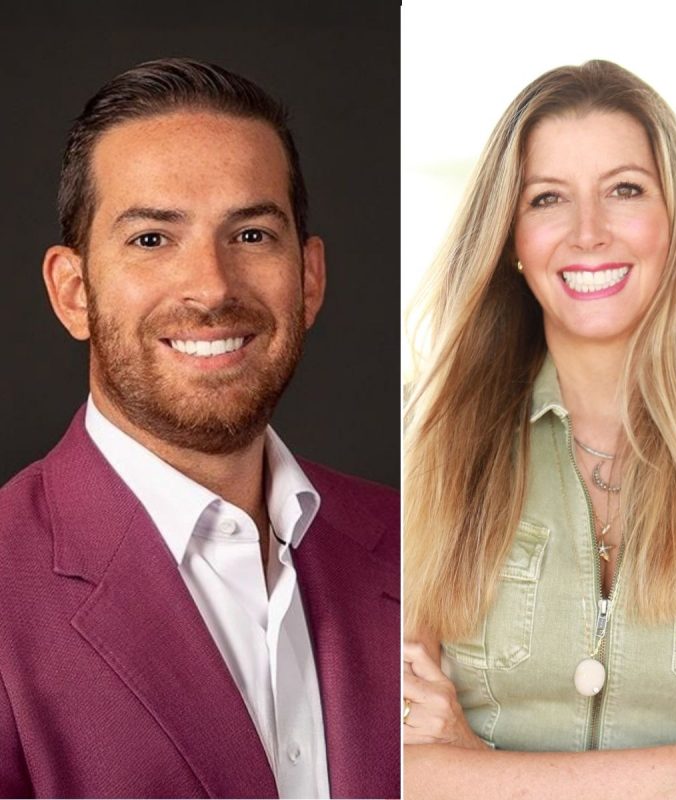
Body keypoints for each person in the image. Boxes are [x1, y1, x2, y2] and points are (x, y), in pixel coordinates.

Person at [403, 60, 676, 798]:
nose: (587, 233)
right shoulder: (423, 433)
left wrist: (476, 767)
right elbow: (395, 768)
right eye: (548, 198)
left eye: (624, 190)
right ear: (511, 239)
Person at [0, 59, 399, 798]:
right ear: (72, 291)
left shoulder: (417, 544)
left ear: (309, 279)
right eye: (152, 239)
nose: (212, 288)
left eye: (250, 235)